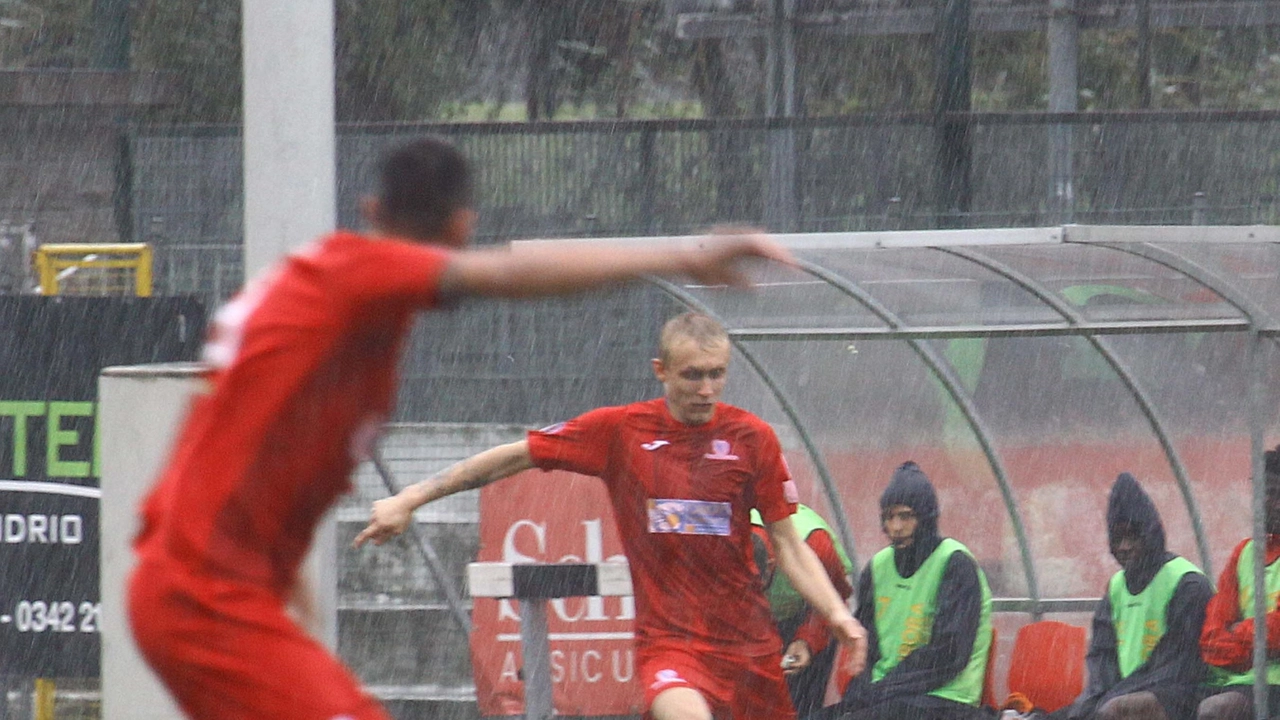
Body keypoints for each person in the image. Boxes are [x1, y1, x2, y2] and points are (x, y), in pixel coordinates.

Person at [126, 137, 797, 720]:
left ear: (372, 208)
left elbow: (238, 457)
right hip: (204, 597)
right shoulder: (353, 272)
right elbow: (508, 273)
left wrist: (281, 588)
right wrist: (683, 256)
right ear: (461, 227)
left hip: (212, 591)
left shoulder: (328, 322)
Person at [355, 311, 868, 720]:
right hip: (671, 645)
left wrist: (838, 615)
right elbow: (516, 454)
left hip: (749, 647)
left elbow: (788, 545)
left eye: (717, 374)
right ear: (661, 371)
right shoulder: (622, 432)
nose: (707, 389)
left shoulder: (752, 438)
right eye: (693, 375)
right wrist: (409, 499)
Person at [826, 461, 992, 720]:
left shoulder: (955, 564)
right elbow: (868, 646)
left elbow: (948, 655)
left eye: (905, 516)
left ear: (925, 518)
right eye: (889, 517)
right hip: (889, 697)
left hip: (945, 699)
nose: (895, 528)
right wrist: (862, 694)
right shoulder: (877, 567)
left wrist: (883, 690)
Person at [1062, 473, 1211, 720]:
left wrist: (1112, 698)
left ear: (1150, 534)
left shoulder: (1187, 584)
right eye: (1117, 538)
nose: (1124, 547)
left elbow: (1178, 667)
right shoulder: (1116, 588)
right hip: (1128, 693)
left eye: (1133, 536)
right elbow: (1102, 660)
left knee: (1114, 711)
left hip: (1182, 693)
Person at [1197, 445, 1280, 720]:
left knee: (1215, 712)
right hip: (1243, 682)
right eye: (1267, 493)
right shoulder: (1244, 553)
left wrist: (1238, 631)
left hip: (1270, 687)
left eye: (1277, 493)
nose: (1273, 502)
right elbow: (1210, 640)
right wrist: (1257, 646)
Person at [750, 504, 855, 717]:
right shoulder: (722, 544)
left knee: (799, 707)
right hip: (751, 623)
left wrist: (807, 640)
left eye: (756, 587)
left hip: (805, 617)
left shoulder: (816, 546)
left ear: (771, 565)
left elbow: (835, 600)